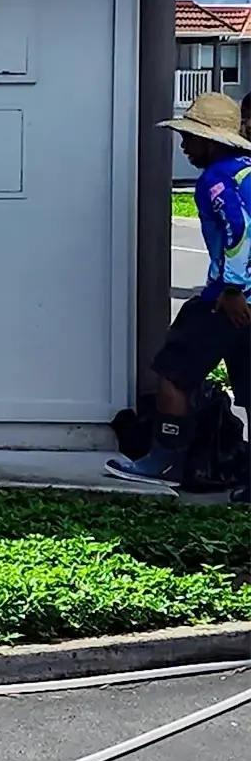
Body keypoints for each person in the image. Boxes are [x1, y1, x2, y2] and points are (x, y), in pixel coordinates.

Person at [108, 90, 251, 494]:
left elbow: (238, 232)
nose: (184, 145)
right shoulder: (248, 172)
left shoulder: (216, 180)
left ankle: (163, 460)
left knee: (173, 375)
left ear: (212, 140)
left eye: (190, 137)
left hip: (226, 301)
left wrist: (233, 289)